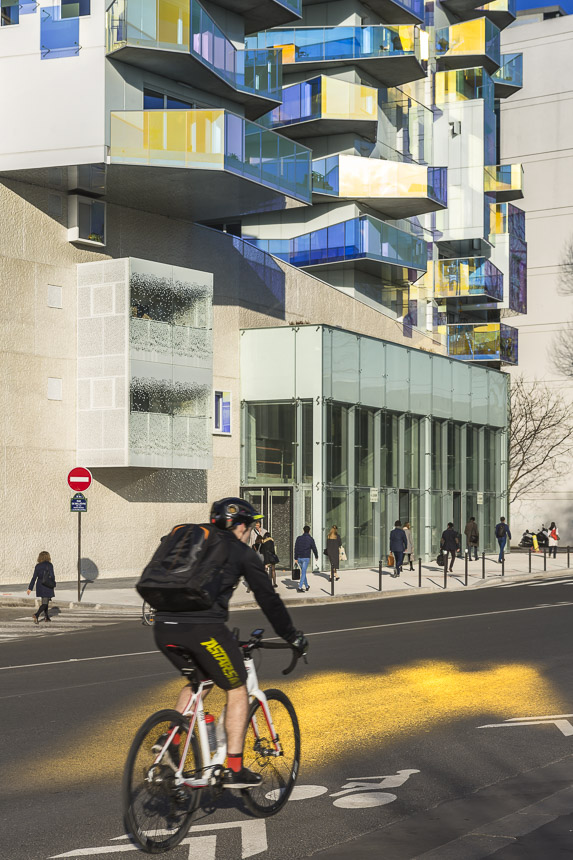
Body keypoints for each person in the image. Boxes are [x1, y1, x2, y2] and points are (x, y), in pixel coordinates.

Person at [152, 497, 308, 789]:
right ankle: (234, 768)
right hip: (202, 629)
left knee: (200, 680)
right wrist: (292, 636)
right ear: (239, 526)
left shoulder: (191, 539)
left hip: (163, 626)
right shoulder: (241, 551)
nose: (251, 533)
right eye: (249, 527)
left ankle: (169, 740)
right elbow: (269, 600)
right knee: (237, 687)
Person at [27, 551, 56, 624]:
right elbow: (52, 576)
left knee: (45, 601)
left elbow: (34, 578)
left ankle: (47, 617)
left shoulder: (38, 566)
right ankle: (36, 615)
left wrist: (30, 588)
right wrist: (53, 582)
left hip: (40, 585)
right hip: (47, 584)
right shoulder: (49, 565)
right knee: (45, 603)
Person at [294, 525, 319, 593]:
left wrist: (295, 558)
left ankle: (307, 586)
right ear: (309, 531)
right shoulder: (310, 539)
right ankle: (300, 587)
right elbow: (314, 548)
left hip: (299, 557)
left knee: (303, 572)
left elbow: (296, 548)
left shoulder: (298, 538)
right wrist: (316, 556)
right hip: (306, 557)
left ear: (303, 530)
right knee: (304, 572)